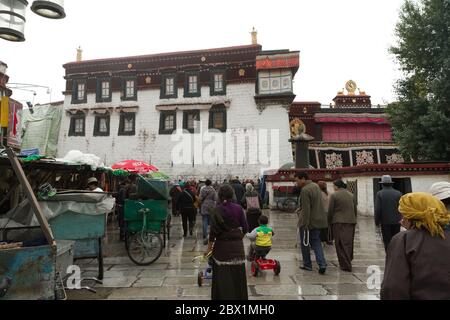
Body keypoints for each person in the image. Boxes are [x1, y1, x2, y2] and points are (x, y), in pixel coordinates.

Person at [381, 192, 450, 300]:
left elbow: (393, 288)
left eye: (404, 215)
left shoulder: (404, 240)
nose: (401, 220)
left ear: (412, 216)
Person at [206, 184, 249, 300]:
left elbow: (212, 234)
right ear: (232, 195)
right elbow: (245, 228)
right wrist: (237, 237)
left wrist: (208, 250)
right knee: (237, 279)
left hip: (221, 250)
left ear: (219, 195)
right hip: (237, 250)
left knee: (222, 280)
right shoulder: (239, 208)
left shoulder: (216, 210)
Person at [295, 172, 328, 274]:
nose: (296, 183)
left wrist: (304, 224)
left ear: (303, 179)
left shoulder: (305, 190)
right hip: (319, 220)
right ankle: (322, 264)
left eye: (297, 180)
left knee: (305, 244)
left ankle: (307, 265)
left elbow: (306, 209)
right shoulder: (315, 186)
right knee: (316, 242)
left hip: (309, 222)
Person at [328, 179, 357, 272]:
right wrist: (354, 219)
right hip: (351, 221)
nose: (333, 188)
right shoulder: (351, 195)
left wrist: (329, 221)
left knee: (340, 243)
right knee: (348, 242)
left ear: (336, 186)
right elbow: (354, 209)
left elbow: (331, 210)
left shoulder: (334, 195)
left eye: (334, 186)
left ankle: (345, 264)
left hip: (338, 222)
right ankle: (348, 260)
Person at [375, 175, 403, 251]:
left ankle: (389, 255)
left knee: (387, 241)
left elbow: (378, 209)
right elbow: (402, 208)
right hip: (397, 221)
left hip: (385, 222)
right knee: (396, 240)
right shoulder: (398, 193)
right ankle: (396, 255)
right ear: (391, 184)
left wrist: (377, 222)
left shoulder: (379, 194)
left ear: (382, 184)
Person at [199, 179, 218, 245]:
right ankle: (211, 233)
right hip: (211, 206)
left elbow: (200, 198)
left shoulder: (202, 190)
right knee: (211, 221)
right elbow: (215, 198)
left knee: (204, 220)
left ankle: (205, 234)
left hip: (204, 205)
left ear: (205, 183)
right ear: (210, 183)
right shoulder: (213, 190)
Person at [317, 181, 333, 245]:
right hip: (329, 212)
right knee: (328, 227)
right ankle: (328, 240)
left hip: (321, 212)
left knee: (320, 227)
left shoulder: (318, 194)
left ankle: (320, 239)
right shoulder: (330, 193)